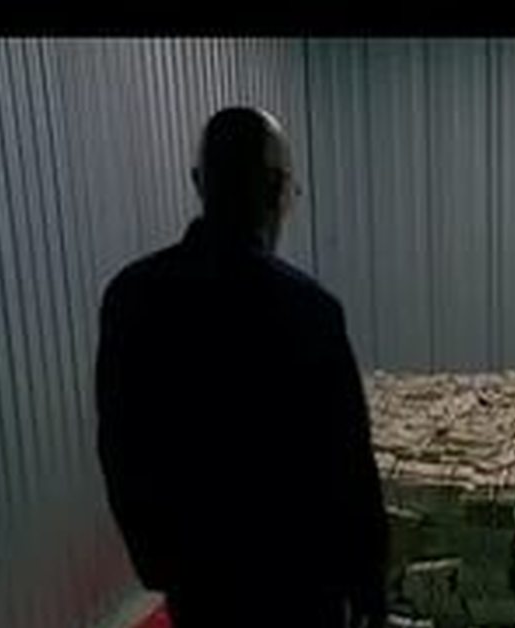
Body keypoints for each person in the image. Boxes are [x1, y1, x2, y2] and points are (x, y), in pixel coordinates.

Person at [96, 107, 386, 627]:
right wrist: (367, 586)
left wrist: (158, 561)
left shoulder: (132, 297)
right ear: (277, 190)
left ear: (198, 182)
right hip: (299, 587)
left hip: (198, 584)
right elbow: (348, 467)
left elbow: (121, 446)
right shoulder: (310, 311)